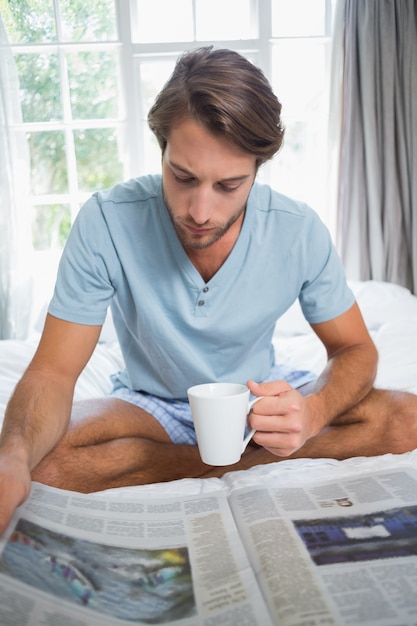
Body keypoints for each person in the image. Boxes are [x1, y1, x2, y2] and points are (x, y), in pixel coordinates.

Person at [1, 46, 416, 535]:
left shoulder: (298, 229)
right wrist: (12, 457)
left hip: (257, 399)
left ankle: (218, 458)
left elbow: (354, 348)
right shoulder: (106, 220)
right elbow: (52, 373)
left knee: (406, 418)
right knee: (42, 464)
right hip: (150, 405)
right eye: (183, 177)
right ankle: (251, 462)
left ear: (258, 170)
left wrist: (312, 412)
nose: (200, 211)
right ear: (161, 149)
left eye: (229, 186)